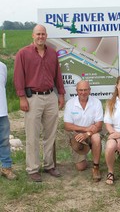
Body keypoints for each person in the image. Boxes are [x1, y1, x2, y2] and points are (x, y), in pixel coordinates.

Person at [14, 24, 65, 182]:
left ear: (46, 35)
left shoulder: (52, 53)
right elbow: (18, 77)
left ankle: (49, 165)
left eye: (43, 34)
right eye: (38, 34)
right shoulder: (23, 53)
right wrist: (22, 97)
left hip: (50, 96)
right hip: (32, 98)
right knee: (32, 135)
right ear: (33, 35)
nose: (40, 36)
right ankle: (33, 168)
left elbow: (57, 75)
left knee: (50, 134)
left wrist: (61, 94)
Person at [64, 80, 103, 181]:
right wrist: (85, 129)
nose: (83, 92)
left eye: (86, 90)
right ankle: (85, 156)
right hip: (77, 135)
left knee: (96, 137)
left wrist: (87, 133)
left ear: (90, 90)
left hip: (91, 133)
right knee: (81, 167)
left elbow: (99, 125)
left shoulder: (96, 102)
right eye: (80, 90)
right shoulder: (70, 103)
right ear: (76, 91)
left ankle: (96, 167)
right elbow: (67, 126)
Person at [0, 61, 17, 180]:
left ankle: (6, 167)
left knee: (5, 141)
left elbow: (3, 85)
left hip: (2, 111)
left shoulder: (3, 66)